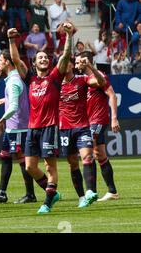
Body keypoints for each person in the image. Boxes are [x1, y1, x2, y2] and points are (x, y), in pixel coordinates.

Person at [22, 22, 74, 214]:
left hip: (50, 127)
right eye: (40, 58)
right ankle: (52, 193)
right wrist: (12, 40)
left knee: (49, 165)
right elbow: (14, 58)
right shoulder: (31, 79)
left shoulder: (54, 77)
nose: (43, 59)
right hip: (32, 127)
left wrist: (68, 36)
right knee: (29, 166)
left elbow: (66, 56)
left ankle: (47, 201)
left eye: (46, 57)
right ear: (34, 63)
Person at [0, 28, 37, 205]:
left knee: (22, 160)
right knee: (6, 156)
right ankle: (2, 192)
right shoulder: (13, 80)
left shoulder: (14, 81)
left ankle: (31, 194)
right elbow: (16, 100)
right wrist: (2, 101)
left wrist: (1, 119)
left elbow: (15, 106)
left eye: (0, 60)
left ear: (7, 62)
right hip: (14, 127)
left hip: (18, 128)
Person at [59, 54, 106, 208]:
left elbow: (101, 82)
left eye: (66, 62)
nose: (64, 64)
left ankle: (90, 191)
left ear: (72, 65)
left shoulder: (82, 79)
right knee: (73, 164)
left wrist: (91, 66)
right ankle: (81, 197)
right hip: (64, 129)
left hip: (82, 127)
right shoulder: (56, 83)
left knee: (87, 157)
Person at [82, 52, 121, 201]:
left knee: (86, 150)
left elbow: (112, 95)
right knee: (100, 155)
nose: (77, 64)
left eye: (80, 62)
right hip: (89, 121)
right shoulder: (84, 80)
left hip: (98, 120)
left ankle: (90, 191)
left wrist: (114, 118)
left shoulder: (100, 77)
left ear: (87, 62)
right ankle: (112, 191)